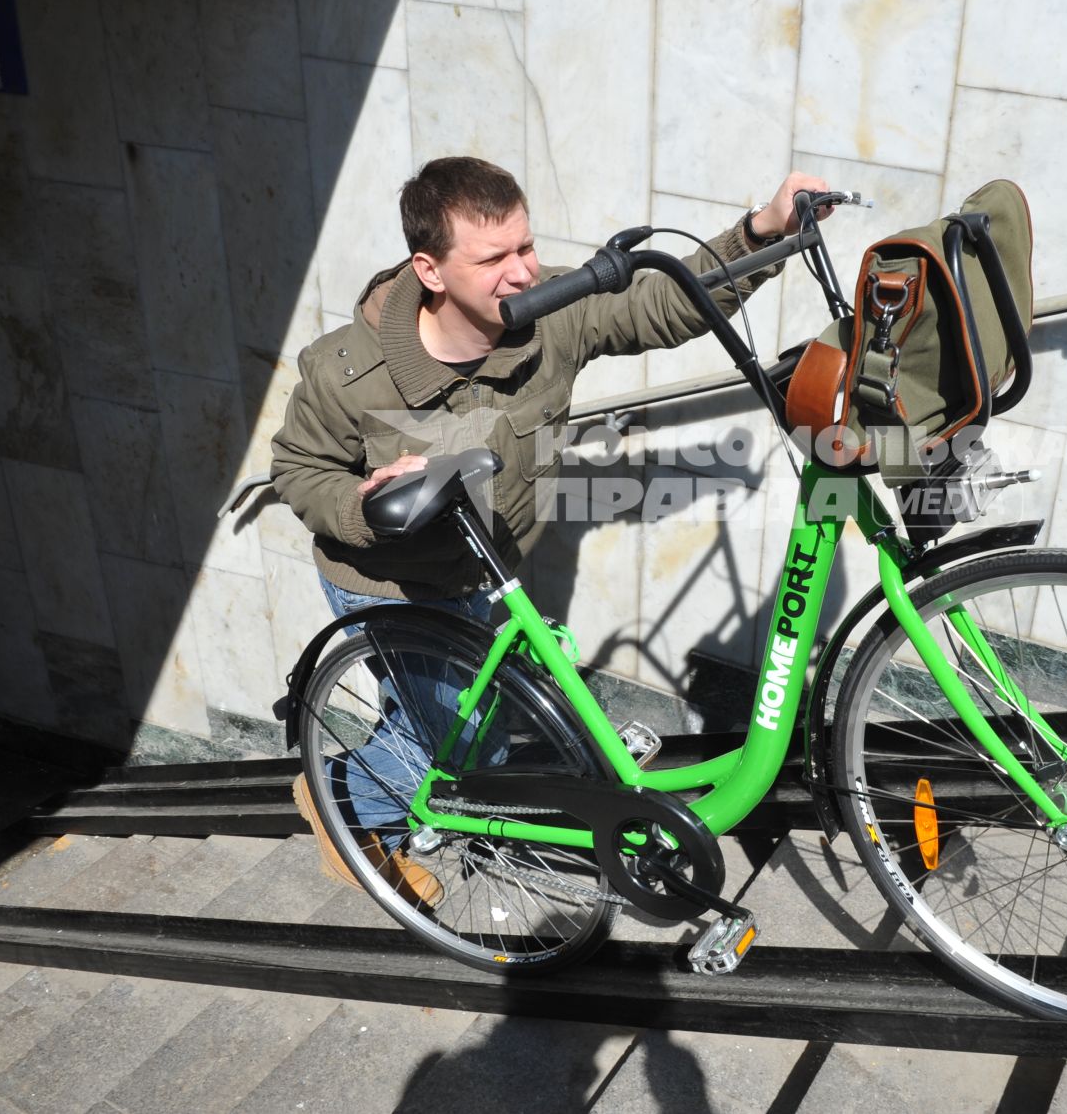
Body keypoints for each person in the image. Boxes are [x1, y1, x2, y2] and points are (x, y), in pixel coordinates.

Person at [271, 155, 827, 903]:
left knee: (444, 717)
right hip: (390, 580)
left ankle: (367, 783)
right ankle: (345, 803)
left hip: (488, 566)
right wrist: (360, 504)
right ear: (430, 270)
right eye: (493, 257)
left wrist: (764, 229)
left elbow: (662, 305)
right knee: (472, 747)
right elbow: (299, 469)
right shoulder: (346, 370)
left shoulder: (548, 313)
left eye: (525, 247)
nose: (522, 271)